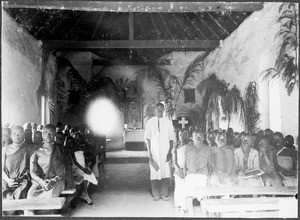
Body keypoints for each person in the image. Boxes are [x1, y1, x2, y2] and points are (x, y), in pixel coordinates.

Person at [27, 124, 68, 200]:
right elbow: (32, 172)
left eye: (51, 133)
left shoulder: (61, 150)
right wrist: (42, 182)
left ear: (55, 134)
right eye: (45, 132)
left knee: (50, 196)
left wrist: (54, 180)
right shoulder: (35, 150)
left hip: (57, 180)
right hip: (40, 180)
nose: (48, 135)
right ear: (42, 134)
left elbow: (64, 170)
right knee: (30, 195)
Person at [145, 103, 176, 201]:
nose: (159, 109)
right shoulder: (150, 121)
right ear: (154, 109)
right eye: (157, 107)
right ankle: (156, 195)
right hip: (153, 151)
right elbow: (148, 138)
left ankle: (164, 194)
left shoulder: (168, 122)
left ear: (164, 109)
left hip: (165, 151)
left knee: (165, 172)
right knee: (154, 172)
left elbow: (171, 138)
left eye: (161, 107)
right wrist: (149, 152)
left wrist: (169, 151)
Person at [2, 126, 31, 202]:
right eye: (15, 134)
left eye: (20, 133)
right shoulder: (5, 149)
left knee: (21, 193)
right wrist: (8, 180)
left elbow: (28, 169)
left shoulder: (27, 149)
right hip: (6, 180)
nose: (17, 135)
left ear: (23, 135)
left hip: (21, 181)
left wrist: (19, 180)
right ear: (11, 136)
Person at [184, 130, 211, 197]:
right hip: (190, 174)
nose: (198, 137)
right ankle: (190, 207)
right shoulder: (187, 147)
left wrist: (208, 178)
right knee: (189, 194)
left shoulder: (208, 149)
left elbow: (209, 165)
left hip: (202, 174)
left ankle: (203, 206)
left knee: (202, 194)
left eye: (200, 135)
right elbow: (184, 163)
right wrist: (185, 176)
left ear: (203, 138)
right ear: (192, 137)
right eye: (195, 135)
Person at [173, 129, 189, 214]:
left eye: (184, 135)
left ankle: (184, 206)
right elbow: (174, 162)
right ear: (178, 136)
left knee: (186, 186)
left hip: (187, 169)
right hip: (178, 169)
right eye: (180, 135)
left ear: (187, 136)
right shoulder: (176, 147)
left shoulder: (190, 146)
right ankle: (178, 205)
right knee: (179, 185)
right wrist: (179, 170)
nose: (182, 137)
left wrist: (186, 170)